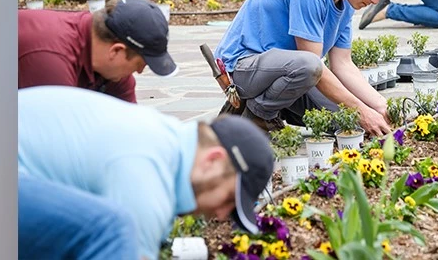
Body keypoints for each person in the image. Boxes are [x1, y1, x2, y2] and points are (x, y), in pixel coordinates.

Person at [18, 85, 274, 260]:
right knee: (114, 230)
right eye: (228, 199)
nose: (220, 215)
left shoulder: (164, 140)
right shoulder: (149, 174)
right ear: (213, 160)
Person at [214, 0, 398, 137]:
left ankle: (270, 106)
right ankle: (258, 115)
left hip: (285, 72)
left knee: (349, 124)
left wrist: (380, 107)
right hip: (242, 68)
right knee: (311, 66)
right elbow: (312, 65)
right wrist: (363, 111)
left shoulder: (346, 4)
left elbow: (343, 64)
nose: (375, 1)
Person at [18, 0, 178, 103]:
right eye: (140, 64)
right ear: (116, 51)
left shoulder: (112, 71)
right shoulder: (52, 59)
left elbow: (129, 128)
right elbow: (56, 144)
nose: (140, 71)